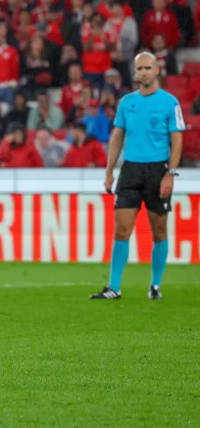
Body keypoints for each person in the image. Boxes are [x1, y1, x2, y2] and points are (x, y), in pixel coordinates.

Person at [93, 52, 184, 301]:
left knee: (159, 232)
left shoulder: (170, 102)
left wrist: (170, 174)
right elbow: (117, 137)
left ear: (157, 71)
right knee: (121, 230)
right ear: (135, 72)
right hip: (130, 170)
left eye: (147, 68)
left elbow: (177, 141)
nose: (143, 72)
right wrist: (110, 170)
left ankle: (155, 286)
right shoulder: (127, 102)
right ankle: (114, 287)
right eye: (139, 68)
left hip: (157, 170)